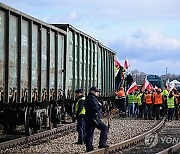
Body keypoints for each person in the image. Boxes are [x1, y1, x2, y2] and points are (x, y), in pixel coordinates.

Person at [85, 87, 109, 152]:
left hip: (89, 118)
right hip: (93, 118)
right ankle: (102, 143)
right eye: (96, 92)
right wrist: (100, 106)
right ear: (92, 91)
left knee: (89, 133)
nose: (97, 93)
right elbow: (95, 108)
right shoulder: (92, 99)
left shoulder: (90, 97)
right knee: (104, 128)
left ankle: (89, 148)